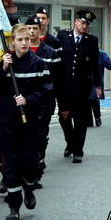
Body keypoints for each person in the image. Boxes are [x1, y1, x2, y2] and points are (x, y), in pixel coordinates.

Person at [0, 23, 53, 220]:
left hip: (29, 121)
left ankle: (29, 187)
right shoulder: (3, 63)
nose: (24, 43)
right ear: (12, 42)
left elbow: (47, 91)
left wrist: (28, 100)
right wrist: (3, 69)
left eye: (27, 39)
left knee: (30, 161)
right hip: (7, 121)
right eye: (20, 39)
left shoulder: (38, 63)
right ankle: (14, 205)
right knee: (10, 163)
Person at [26, 15, 68, 188]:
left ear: (40, 29)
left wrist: (63, 106)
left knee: (40, 137)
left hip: (45, 103)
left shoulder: (50, 53)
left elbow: (59, 81)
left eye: (35, 28)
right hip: (25, 103)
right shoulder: (19, 51)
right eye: (29, 28)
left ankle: (36, 171)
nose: (32, 32)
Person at [56, 10, 101, 163]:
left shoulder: (92, 41)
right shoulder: (63, 37)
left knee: (81, 120)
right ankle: (70, 142)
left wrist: (98, 85)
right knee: (64, 117)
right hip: (65, 85)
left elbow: (95, 65)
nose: (84, 26)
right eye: (82, 23)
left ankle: (78, 150)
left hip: (82, 87)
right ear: (75, 22)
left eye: (87, 24)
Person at [88, 50, 111, 127]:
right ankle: (90, 119)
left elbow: (109, 64)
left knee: (94, 100)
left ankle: (97, 117)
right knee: (87, 101)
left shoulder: (100, 54)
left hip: (95, 81)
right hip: (84, 81)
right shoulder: (82, 51)